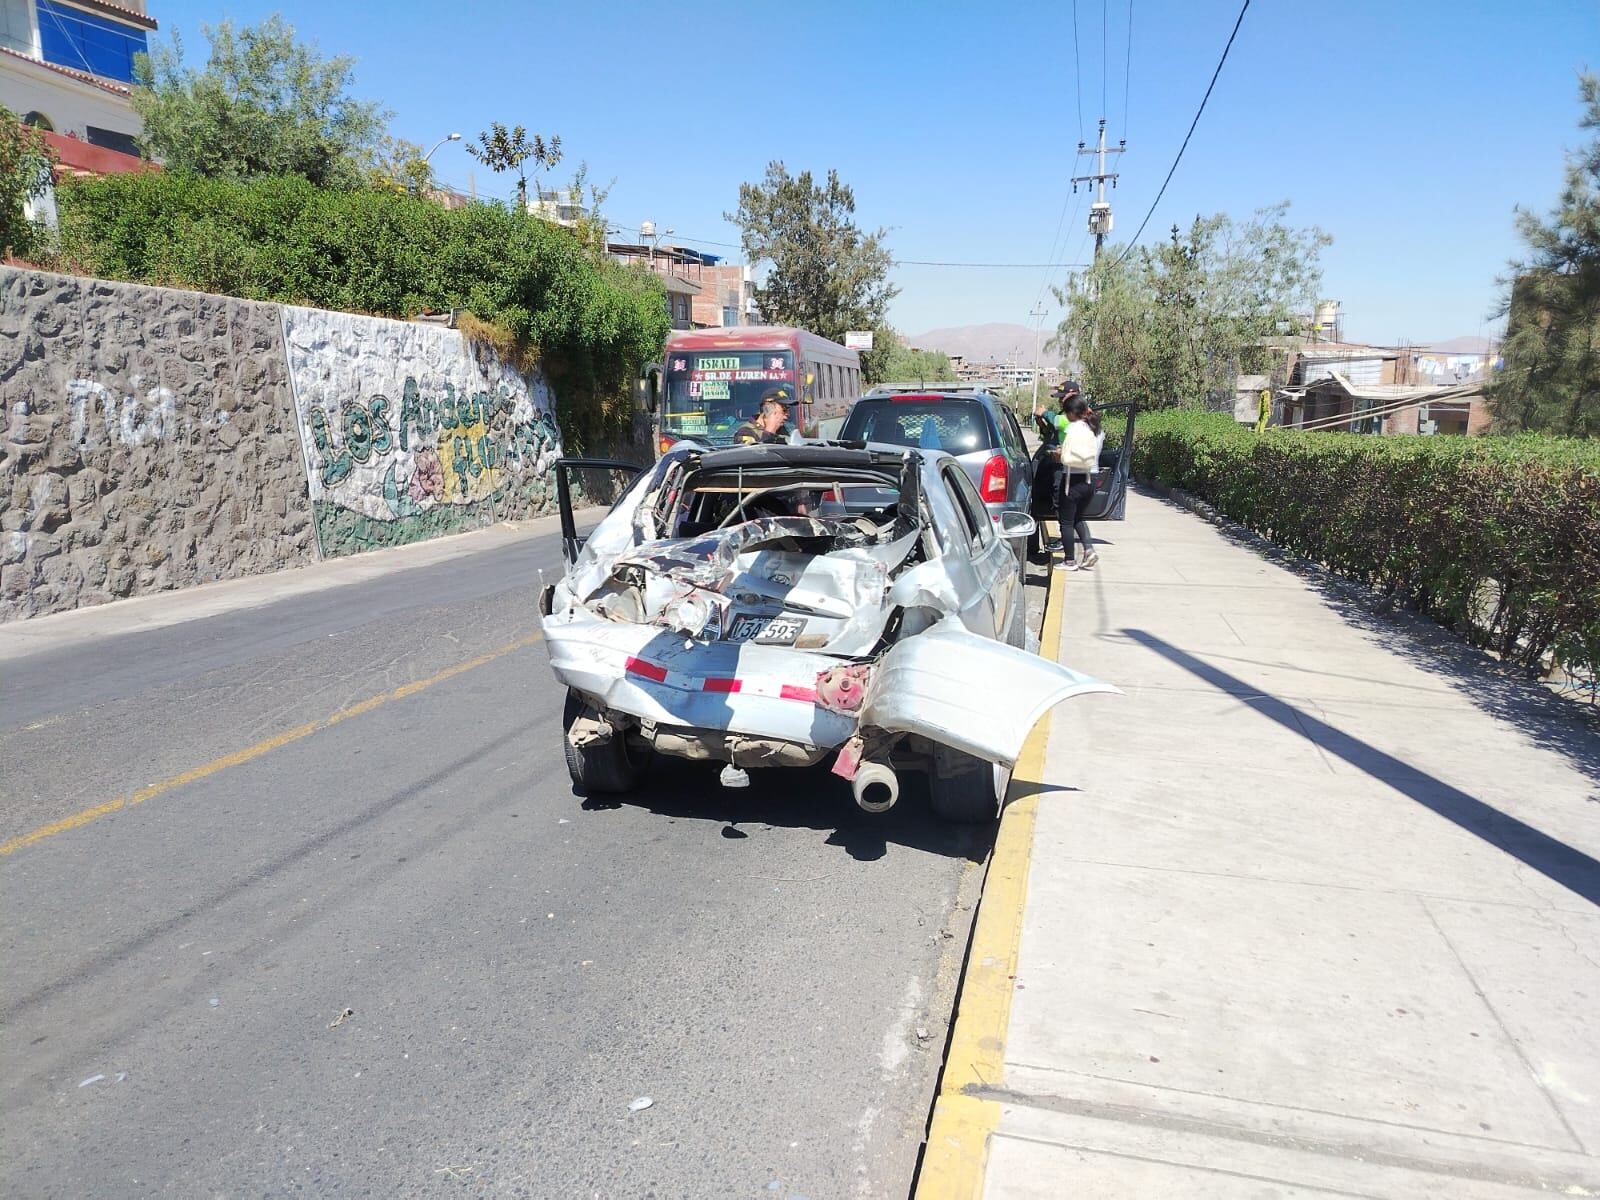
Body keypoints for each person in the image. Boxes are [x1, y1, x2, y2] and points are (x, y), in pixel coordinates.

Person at [1032, 380, 1080, 551]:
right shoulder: (1064, 412)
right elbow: (1051, 435)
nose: (1060, 400)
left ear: (1073, 394)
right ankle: (1069, 539)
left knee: (1062, 503)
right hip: (1056, 463)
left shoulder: (1075, 412)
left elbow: (1059, 422)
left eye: (1063, 397)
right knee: (1055, 500)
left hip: (1067, 465)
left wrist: (1045, 413)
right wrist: (1042, 425)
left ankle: (1067, 541)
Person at [1055, 394, 1100, 571]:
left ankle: (1069, 561)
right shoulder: (1093, 428)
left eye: (1067, 413)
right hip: (1088, 480)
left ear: (1072, 413)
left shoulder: (1073, 429)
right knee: (1078, 518)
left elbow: (1065, 456)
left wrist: (1056, 455)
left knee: (1066, 522)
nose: (1066, 416)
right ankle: (1089, 550)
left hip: (1071, 481)